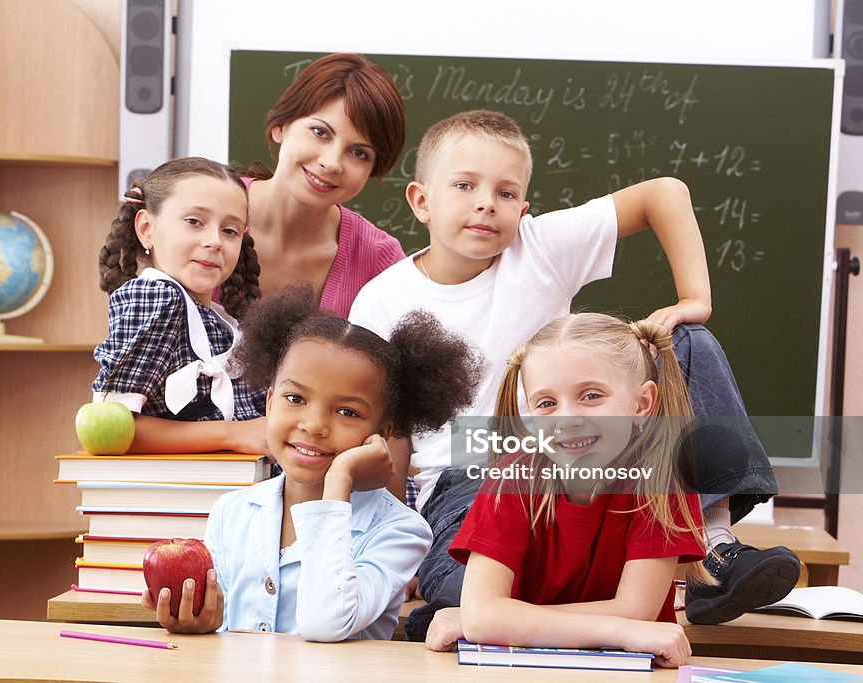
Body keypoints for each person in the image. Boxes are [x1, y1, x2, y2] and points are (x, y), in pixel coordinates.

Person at [347, 110, 798, 636]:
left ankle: (712, 548)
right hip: (466, 478)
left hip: (581, 464)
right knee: (462, 576)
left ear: (524, 208)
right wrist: (391, 538)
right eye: (465, 185)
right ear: (421, 201)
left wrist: (693, 298)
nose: (486, 203)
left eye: (507, 193)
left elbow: (665, 193)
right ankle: (486, 611)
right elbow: (390, 432)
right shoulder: (383, 299)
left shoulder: (537, 246)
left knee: (687, 339)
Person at [142, 284, 483, 641]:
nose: (315, 424)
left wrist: (340, 479)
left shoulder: (400, 531)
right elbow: (226, 627)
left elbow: (327, 623)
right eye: (294, 398)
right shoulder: (231, 513)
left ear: (381, 432)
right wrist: (203, 623)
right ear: (270, 402)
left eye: (347, 411)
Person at [436, 313, 706, 667]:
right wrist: (622, 631)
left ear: (641, 403)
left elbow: (634, 610)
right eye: (547, 403)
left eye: (591, 396)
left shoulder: (661, 482)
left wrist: (501, 620)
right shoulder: (512, 479)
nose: (567, 418)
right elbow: (484, 616)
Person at [93, 157, 267, 454]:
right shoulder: (156, 297)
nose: (214, 241)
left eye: (230, 231)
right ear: (147, 228)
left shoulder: (219, 318)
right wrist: (232, 435)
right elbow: (111, 429)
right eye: (194, 222)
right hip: (176, 496)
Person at [220, 53, 407, 317]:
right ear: (280, 126)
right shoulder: (195, 211)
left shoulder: (380, 261)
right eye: (320, 132)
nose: (332, 163)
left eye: (359, 153)